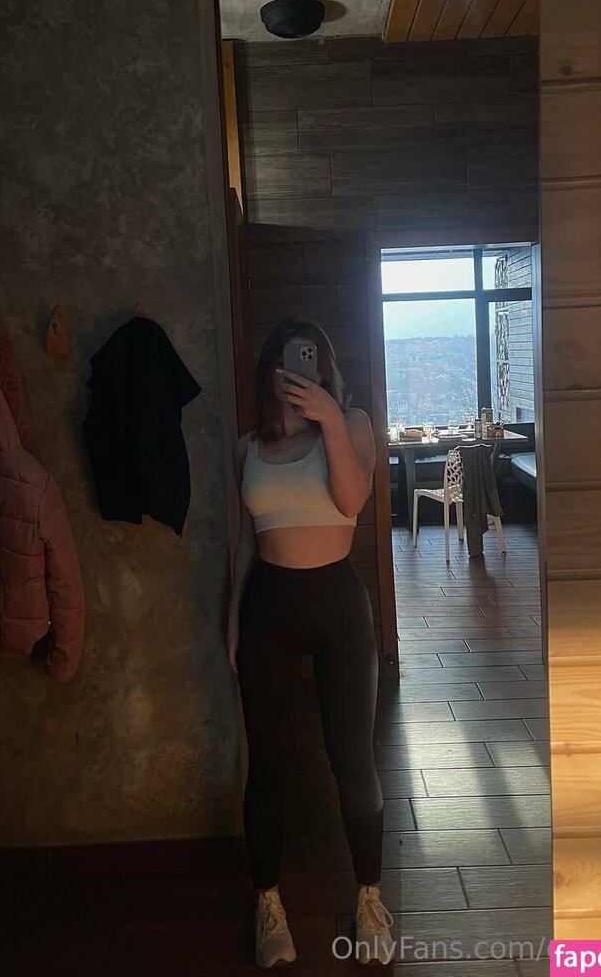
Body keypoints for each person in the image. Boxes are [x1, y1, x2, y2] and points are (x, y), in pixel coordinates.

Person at [227, 317, 395, 969]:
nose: (301, 368)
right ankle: (267, 901)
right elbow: (244, 543)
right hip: (267, 608)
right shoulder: (246, 448)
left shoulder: (352, 425)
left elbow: (351, 502)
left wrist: (328, 417)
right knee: (269, 766)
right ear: (271, 371)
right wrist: (232, 620)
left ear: (325, 368)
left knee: (352, 760)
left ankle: (369, 896)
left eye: (313, 357)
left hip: (338, 608)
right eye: (289, 358)